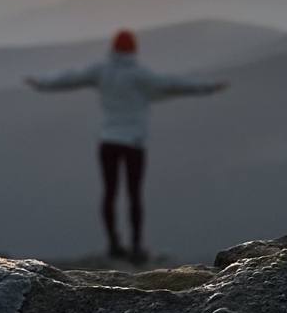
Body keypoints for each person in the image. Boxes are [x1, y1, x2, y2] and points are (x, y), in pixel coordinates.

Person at [25, 29, 228, 263]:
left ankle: (113, 244)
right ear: (133, 49)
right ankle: (136, 247)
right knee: (134, 195)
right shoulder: (140, 75)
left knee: (109, 193)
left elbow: (70, 78)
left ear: (113, 48)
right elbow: (173, 84)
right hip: (133, 143)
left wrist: (41, 83)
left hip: (108, 140)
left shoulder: (101, 71)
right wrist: (209, 87)